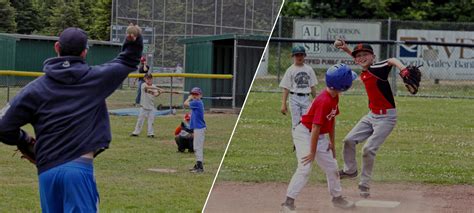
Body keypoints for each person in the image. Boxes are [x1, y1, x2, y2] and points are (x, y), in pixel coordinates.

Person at [0, 26, 143, 212]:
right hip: (78, 169)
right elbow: (128, 60)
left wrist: (23, 140)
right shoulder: (96, 78)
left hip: (47, 172)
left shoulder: (34, 89)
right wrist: (133, 40)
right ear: (85, 52)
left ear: (57, 47)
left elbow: (3, 126)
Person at [281, 64, 357, 212]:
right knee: (305, 168)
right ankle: (288, 203)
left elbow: (331, 120)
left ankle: (337, 198)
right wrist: (312, 152)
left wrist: (332, 144)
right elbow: (315, 128)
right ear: (342, 85)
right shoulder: (324, 100)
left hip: (319, 136)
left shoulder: (334, 97)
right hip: (304, 134)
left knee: (332, 167)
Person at [335, 40, 407, 198]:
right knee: (348, 140)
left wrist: (403, 69)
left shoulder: (376, 69)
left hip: (386, 117)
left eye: (365, 54)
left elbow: (391, 60)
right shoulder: (366, 69)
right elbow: (360, 61)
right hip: (372, 115)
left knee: (368, 149)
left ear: (373, 56)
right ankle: (350, 170)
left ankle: (364, 185)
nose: (361, 58)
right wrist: (347, 49)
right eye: (358, 56)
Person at [280, 46, 318, 130]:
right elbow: (286, 88)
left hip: (306, 97)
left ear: (304, 56)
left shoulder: (309, 69)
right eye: (297, 55)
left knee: (306, 121)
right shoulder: (290, 70)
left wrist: (316, 100)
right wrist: (283, 104)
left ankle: (304, 141)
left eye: (301, 55)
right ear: (293, 56)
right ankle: (296, 142)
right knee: (296, 122)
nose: (299, 57)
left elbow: (312, 86)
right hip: (294, 98)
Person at [131, 73, 163, 138]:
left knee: (151, 121)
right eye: (147, 79)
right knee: (140, 120)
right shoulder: (143, 85)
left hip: (151, 107)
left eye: (150, 79)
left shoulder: (154, 86)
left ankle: (150, 134)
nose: (149, 80)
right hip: (143, 106)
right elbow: (148, 89)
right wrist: (158, 88)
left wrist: (160, 92)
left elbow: (155, 94)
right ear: (145, 79)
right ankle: (136, 132)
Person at [183, 87, 206, 173]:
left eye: (196, 94)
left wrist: (189, 97)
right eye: (193, 94)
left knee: (198, 147)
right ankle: (197, 165)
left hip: (199, 129)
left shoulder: (197, 103)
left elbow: (185, 104)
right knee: (196, 147)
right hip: (197, 128)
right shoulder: (197, 102)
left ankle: (200, 167)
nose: (195, 96)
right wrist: (192, 97)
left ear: (200, 95)